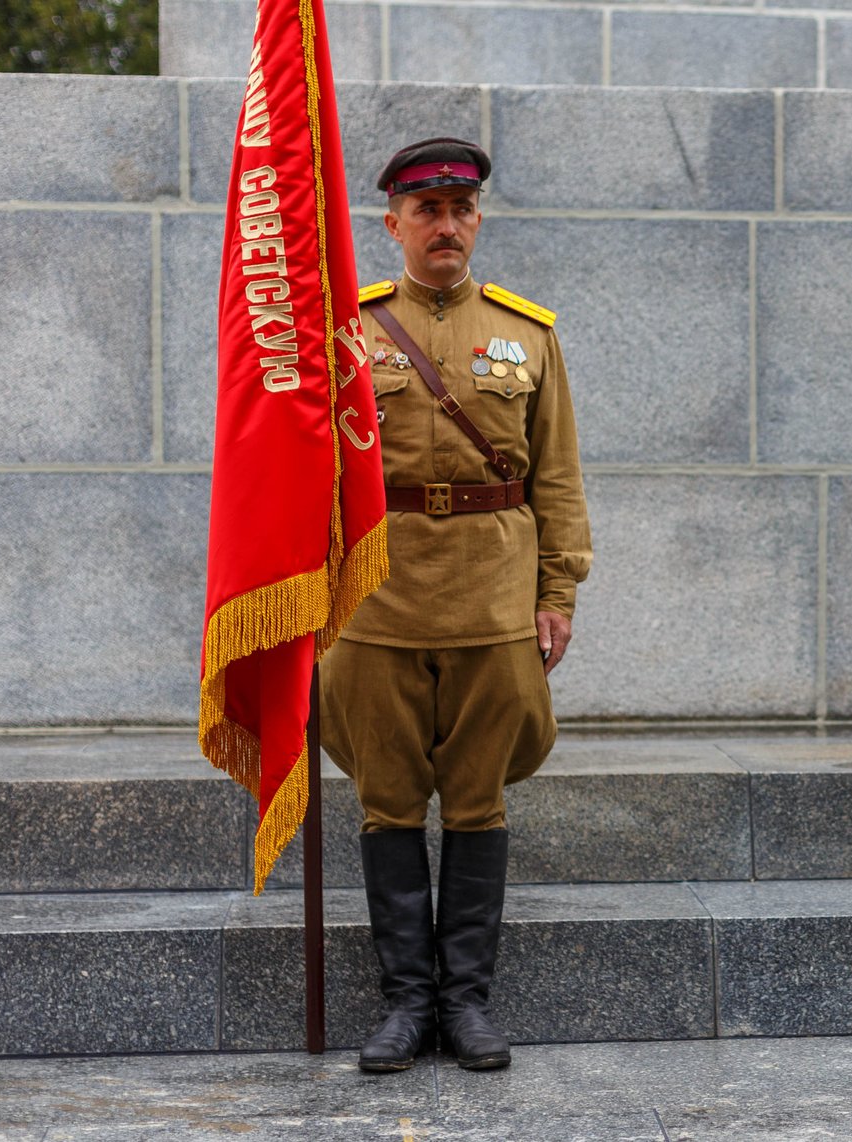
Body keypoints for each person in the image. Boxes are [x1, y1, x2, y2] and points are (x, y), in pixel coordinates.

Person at [319, 136, 592, 1073]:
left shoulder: (528, 335)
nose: (445, 225)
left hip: (493, 600)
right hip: (375, 601)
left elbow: (555, 477)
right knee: (386, 802)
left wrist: (557, 592)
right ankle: (406, 1005)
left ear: (478, 220)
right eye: (426, 210)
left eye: (460, 209)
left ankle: (467, 1004)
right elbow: (304, 476)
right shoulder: (345, 331)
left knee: (476, 803)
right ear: (391, 224)